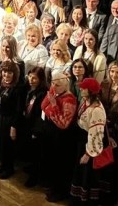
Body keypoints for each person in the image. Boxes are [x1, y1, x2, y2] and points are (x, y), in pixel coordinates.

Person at [69, 77, 110, 204]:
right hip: (82, 140)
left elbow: (96, 135)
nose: (81, 89)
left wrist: (88, 154)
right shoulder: (85, 101)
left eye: (84, 88)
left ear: (90, 91)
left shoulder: (97, 110)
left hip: (89, 145)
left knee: (87, 175)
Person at [41, 71, 79, 202]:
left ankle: (60, 192)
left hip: (62, 139)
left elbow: (63, 123)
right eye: (52, 83)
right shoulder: (55, 92)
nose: (53, 87)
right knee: (51, 163)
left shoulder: (70, 99)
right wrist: (52, 105)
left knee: (60, 166)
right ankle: (52, 187)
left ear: (65, 86)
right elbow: (43, 106)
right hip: (52, 135)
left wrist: (53, 105)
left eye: (57, 85)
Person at [0, 60, 25, 178]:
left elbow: (19, 110)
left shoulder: (18, 88)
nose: (6, 75)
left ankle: (9, 168)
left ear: (15, 74)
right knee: (0, 143)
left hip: (8, 120)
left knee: (8, 145)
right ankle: (2, 164)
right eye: (4, 72)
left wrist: (14, 126)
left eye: (10, 73)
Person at [19, 66, 48, 188]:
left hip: (36, 126)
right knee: (30, 150)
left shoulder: (43, 93)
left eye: (35, 78)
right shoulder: (27, 89)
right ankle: (31, 167)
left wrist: (36, 130)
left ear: (41, 79)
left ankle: (35, 177)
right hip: (27, 123)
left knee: (36, 153)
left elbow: (41, 115)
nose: (31, 80)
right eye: (30, 76)